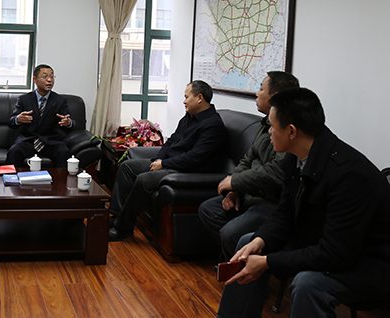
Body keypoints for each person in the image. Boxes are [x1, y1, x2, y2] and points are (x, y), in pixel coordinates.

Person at [217, 88, 390, 318]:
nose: (268, 132)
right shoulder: (296, 157)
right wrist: (261, 240)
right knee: (248, 243)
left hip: (368, 263)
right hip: (321, 243)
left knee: (307, 284)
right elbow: (285, 213)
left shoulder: (350, 176)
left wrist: (268, 262)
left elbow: (336, 254)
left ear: (291, 131)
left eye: (272, 126)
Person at [108, 80, 227, 242]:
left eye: (187, 97)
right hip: (170, 162)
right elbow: (171, 141)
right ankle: (115, 217)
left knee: (144, 179)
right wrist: (159, 158)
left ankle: (123, 228)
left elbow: (194, 158)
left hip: (187, 170)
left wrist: (164, 164)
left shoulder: (213, 125)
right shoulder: (189, 117)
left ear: (200, 98)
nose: (184, 101)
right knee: (127, 167)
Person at [199, 71, 299, 261]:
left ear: (275, 97)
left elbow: (276, 172)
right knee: (208, 209)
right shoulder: (264, 124)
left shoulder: (289, 130)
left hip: (270, 203)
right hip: (248, 194)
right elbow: (247, 159)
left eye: (261, 89)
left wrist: (236, 182)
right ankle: (236, 258)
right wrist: (234, 190)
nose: (256, 94)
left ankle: (240, 263)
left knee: (230, 233)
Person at [7, 64, 74, 168]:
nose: (49, 80)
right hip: (28, 140)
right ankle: (12, 178)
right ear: (35, 79)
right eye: (45, 76)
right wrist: (18, 119)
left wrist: (68, 122)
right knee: (14, 152)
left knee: (64, 152)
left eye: (52, 76)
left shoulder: (60, 100)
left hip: (51, 141)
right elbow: (11, 122)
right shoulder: (24, 99)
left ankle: (60, 179)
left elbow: (71, 122)